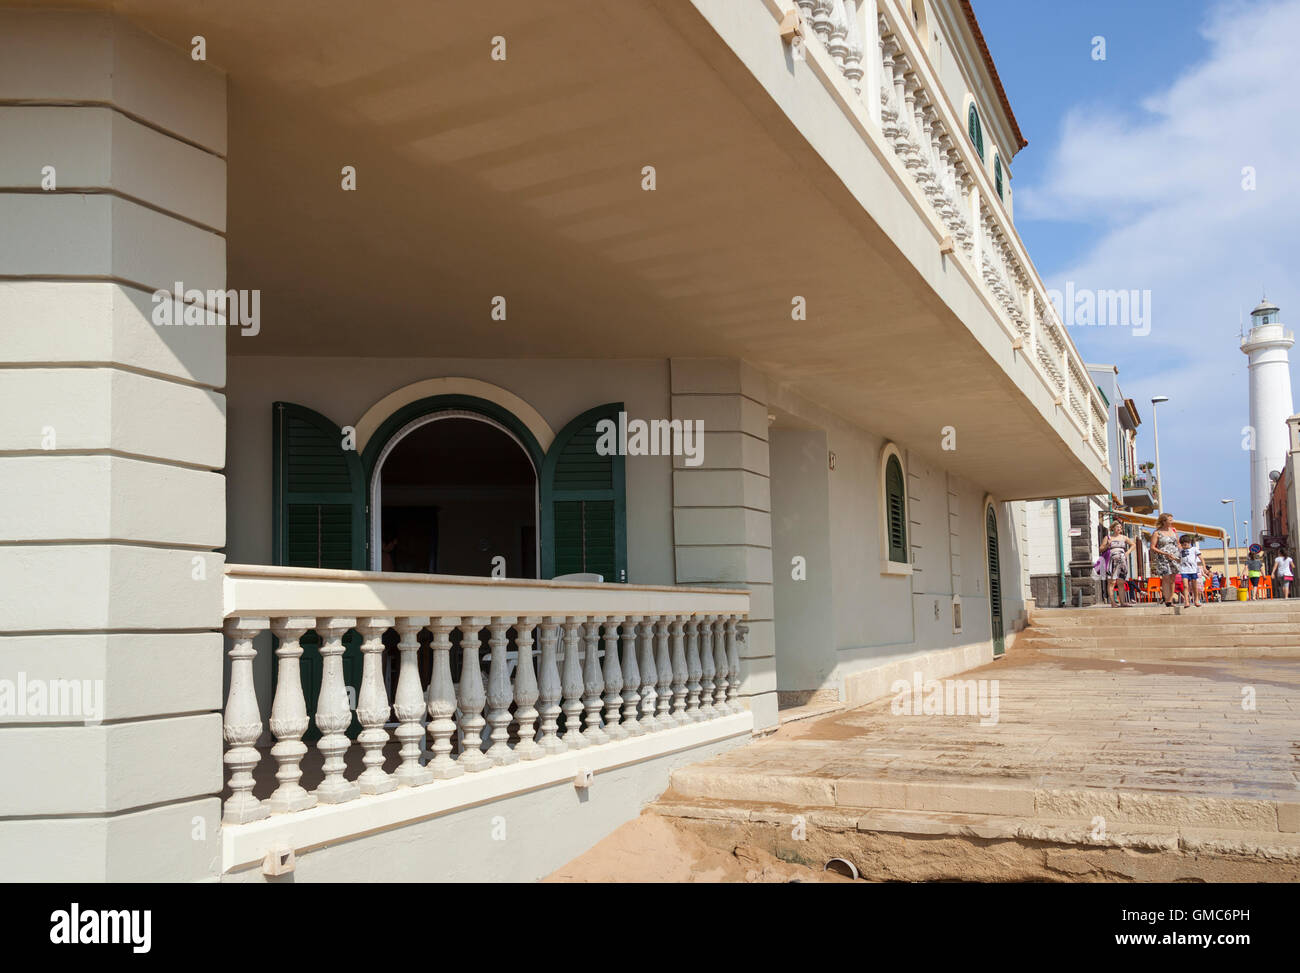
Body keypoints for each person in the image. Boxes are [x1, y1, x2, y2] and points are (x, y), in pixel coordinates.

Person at [1148, 513, 1182, 608]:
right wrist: (1165, 553)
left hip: (1174, 557)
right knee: (1166, 578)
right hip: (1163, 558)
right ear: (1164, 521)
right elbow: (1152, 547)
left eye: (1172, 520)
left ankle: (1170, 599)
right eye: (1170, 520)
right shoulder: (1157, 533)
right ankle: (1167, 600)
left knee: (1172, 579)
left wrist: (1181, 553)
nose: (1172, 522)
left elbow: (1178, 544)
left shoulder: (1174, 531)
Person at [1105, 521, 1136, 607]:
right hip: (1112, 561)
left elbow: (1133, 544)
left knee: (1121, 582)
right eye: (1118, 527)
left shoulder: (1124, 537)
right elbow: (1101, 549)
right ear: (1113, 528)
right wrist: (1107, 544)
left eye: (1121, 527)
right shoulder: (1108, 537)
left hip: (1122, 561)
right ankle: (1113, 603)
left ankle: (1123, 602)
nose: (1119, 529)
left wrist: (1128, 552)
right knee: (1111, 582)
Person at [1177, 535, 1200, 607]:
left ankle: (1196, 600)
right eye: (1182, 545)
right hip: (1184, 570)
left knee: (1194, 586)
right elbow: (1180, 560)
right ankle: (1186, 601)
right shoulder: (1180, 551)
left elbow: (1201, 558)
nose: (1184, 546)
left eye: (1185, 544)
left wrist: (1204, 567)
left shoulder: (1194, 549)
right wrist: (1173, 558)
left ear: (1189, 542)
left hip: (1193, 570)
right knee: (1185, 586)